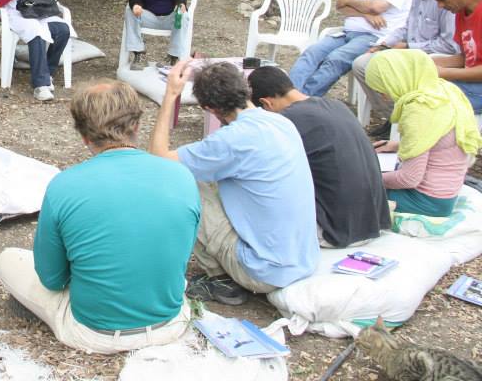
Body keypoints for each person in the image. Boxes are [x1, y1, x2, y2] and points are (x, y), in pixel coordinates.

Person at [0, 80, 199, 353]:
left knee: (8, 259)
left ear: (84, 136)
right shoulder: (182, 176)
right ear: (137, 125)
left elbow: (52, 279)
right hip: (170, 322)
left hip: (94, 333)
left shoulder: (64, 186)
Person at [150, 61, 319, 304]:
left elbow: (159, 162)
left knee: (180, 180)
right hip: (304, 259)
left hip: (263, 272)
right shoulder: (282, 123)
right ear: (247, 90)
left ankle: (222, 279)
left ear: (209, 108)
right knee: (204, 176)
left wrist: (170, 95)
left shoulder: (231, 140)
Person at [248, 66, 391, 248]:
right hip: (374, 222)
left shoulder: (284, 121)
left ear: (266, 103)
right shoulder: (337, 105)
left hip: (334, 231)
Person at [352, 0, 458, 137]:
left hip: (431, 57)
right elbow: (406, 26)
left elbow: (449, 45)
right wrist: (383, 44)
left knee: (382, 66)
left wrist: (408, 47)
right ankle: (394, 117)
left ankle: (407, 120)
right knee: (361, 64)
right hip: (408, 52)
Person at [289, 0, 412, 97]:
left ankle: (302, 100)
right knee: (311, 53)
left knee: (335, 59)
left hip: (374, 37)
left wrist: (352, 1)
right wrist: (365, 14)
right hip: (346, 33)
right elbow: (341, 5)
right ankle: (287, 94)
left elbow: (377, 7)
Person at [367, 49, 482, 216]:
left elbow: (409, 178)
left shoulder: (420, 110)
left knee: (350, 191)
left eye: (381, 88)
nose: (383, 95)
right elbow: (438, 141)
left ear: (396, 80)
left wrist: (369, 177)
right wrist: (397, 146)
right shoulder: (444, 90)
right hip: (446, 193)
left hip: (427, 201)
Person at [424, 0, 482, 112]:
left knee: (426, 98)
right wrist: (425, 62)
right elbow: (468, 58)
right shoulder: (461, 11)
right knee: (416, 83)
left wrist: (445, 72)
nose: (440, 6)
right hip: (471, 81)